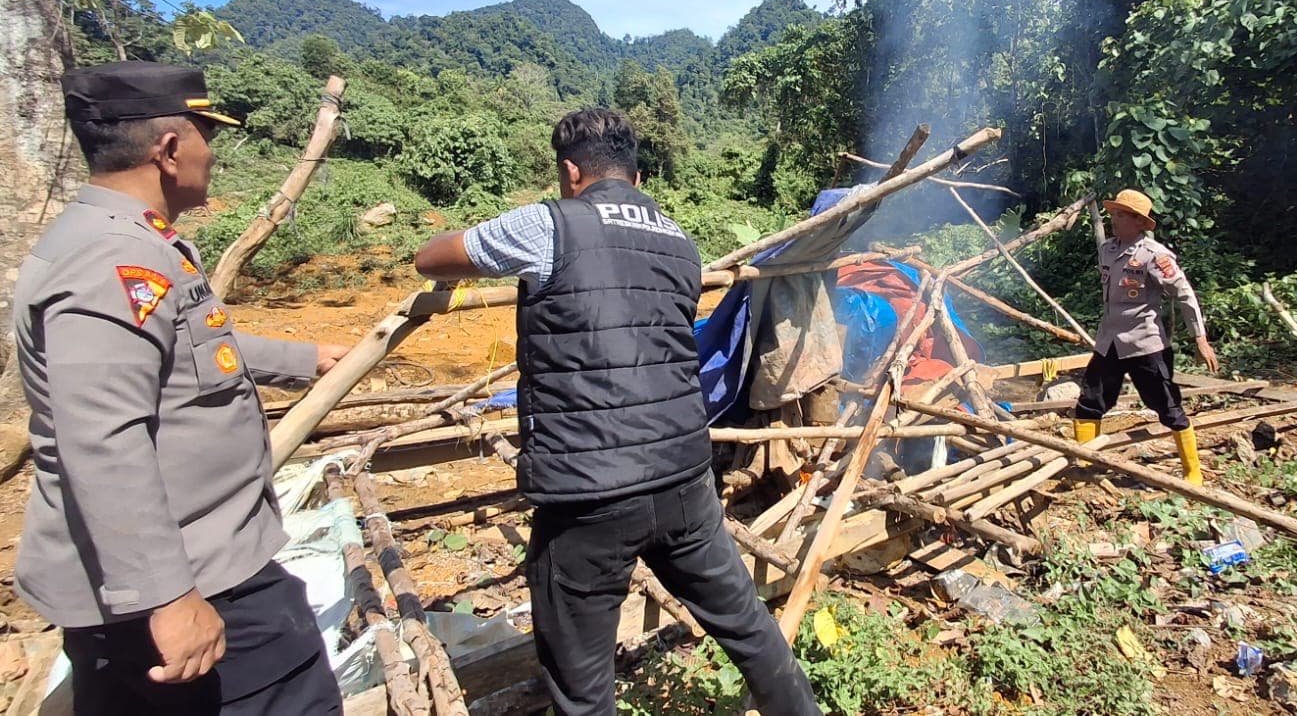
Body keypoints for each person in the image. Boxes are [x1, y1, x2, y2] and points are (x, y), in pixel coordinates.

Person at [414, 108, 820, 716]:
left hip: (589, 497)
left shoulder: (549, 225)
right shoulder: (680, 239)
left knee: (583, 688)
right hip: (684, 476)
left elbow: (433, 257)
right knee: (747, 629)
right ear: (638, 175)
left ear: (571, 171)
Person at [12, 61, 351, 715]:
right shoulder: (113, 263)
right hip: (195, 582)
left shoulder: (123, 242)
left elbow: (184, 351)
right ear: (170, 150)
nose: (212, 155)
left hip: (199, 567)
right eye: (206, 136)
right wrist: (166, 597)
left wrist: (302, 357)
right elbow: (101, 438)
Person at [1074, 189, 1219, 485]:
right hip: (1109, 342)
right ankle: (1086, 467)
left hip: (1145, 343)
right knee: (1090, 401)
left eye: (1122, 215)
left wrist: (1200, 339)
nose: (1114, 220)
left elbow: (1185, 295)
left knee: (1167, 406)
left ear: (1140, 222)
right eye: (1114, 214)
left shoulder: (1155, 256)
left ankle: (1193, 473)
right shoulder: (1108, 250)